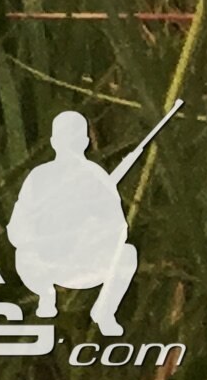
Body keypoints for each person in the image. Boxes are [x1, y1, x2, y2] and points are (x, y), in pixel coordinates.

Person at [10, 111, 144, 336]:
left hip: (88, 261)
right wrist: (44, 237)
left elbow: (120, 228)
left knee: (127, 254)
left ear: (84, 142)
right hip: (47, 264)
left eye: (72, 139)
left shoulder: (96, 177)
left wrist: (92, 231)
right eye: (65, 139)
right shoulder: (39, 177)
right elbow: (17, 229)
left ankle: (105, 312)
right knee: (24, 256)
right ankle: (46, 297)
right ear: (53, 142)